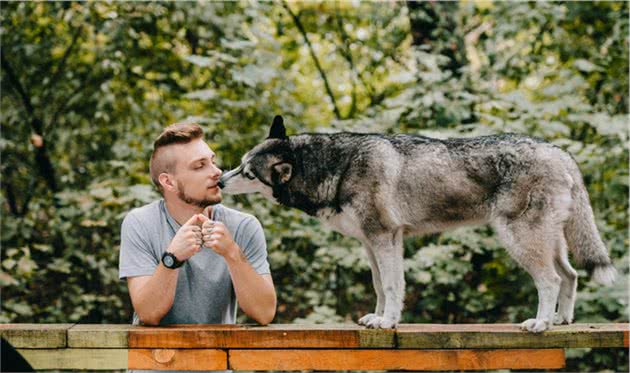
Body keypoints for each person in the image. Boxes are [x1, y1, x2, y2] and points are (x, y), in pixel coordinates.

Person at [118, 123, 276, 331]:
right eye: (200, 166)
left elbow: (264, 313)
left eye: (212, 161)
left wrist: (232, 254)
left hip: (217, 361)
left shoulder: (243, 226)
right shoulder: (140, 223)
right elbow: (149, 314)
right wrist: (172, 259)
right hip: (154, 361)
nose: (217, 171)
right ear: (169, 182)